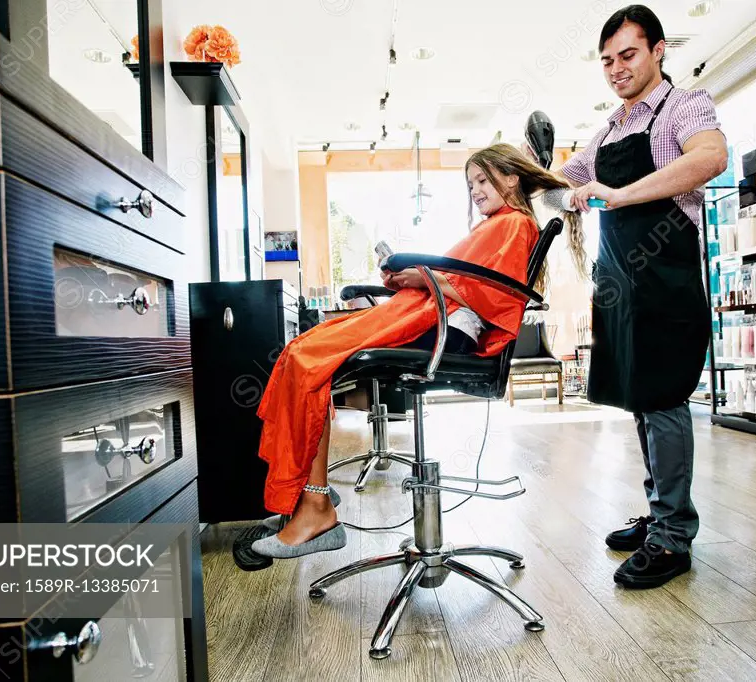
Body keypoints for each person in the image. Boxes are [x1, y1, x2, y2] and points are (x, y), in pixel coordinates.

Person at [251, 143, 583, 558]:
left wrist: (421, 277)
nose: (475, 191)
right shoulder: (496, 224)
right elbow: (462, 280)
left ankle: (316, 506)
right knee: (303, 350)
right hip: (431, 320)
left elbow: (486, 291)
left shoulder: (513, 224)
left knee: (308, 357)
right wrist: (412, 278)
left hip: (447, 333)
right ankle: (305, 494)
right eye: (471, 184)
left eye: (482, 180)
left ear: (512, 177)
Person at [559, 5, 727, 588]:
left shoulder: (685, 105)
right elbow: (571, 178)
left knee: (663, 397)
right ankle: (660, 513)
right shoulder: (608, 126)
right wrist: (530, 178)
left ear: (659, 50)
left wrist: (618, 195)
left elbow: (709, 158)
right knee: (639, 398)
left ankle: (675, 535)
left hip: (665, 277)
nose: (616, 68)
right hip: (622, 283)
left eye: (627, 55)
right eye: (606, 60)